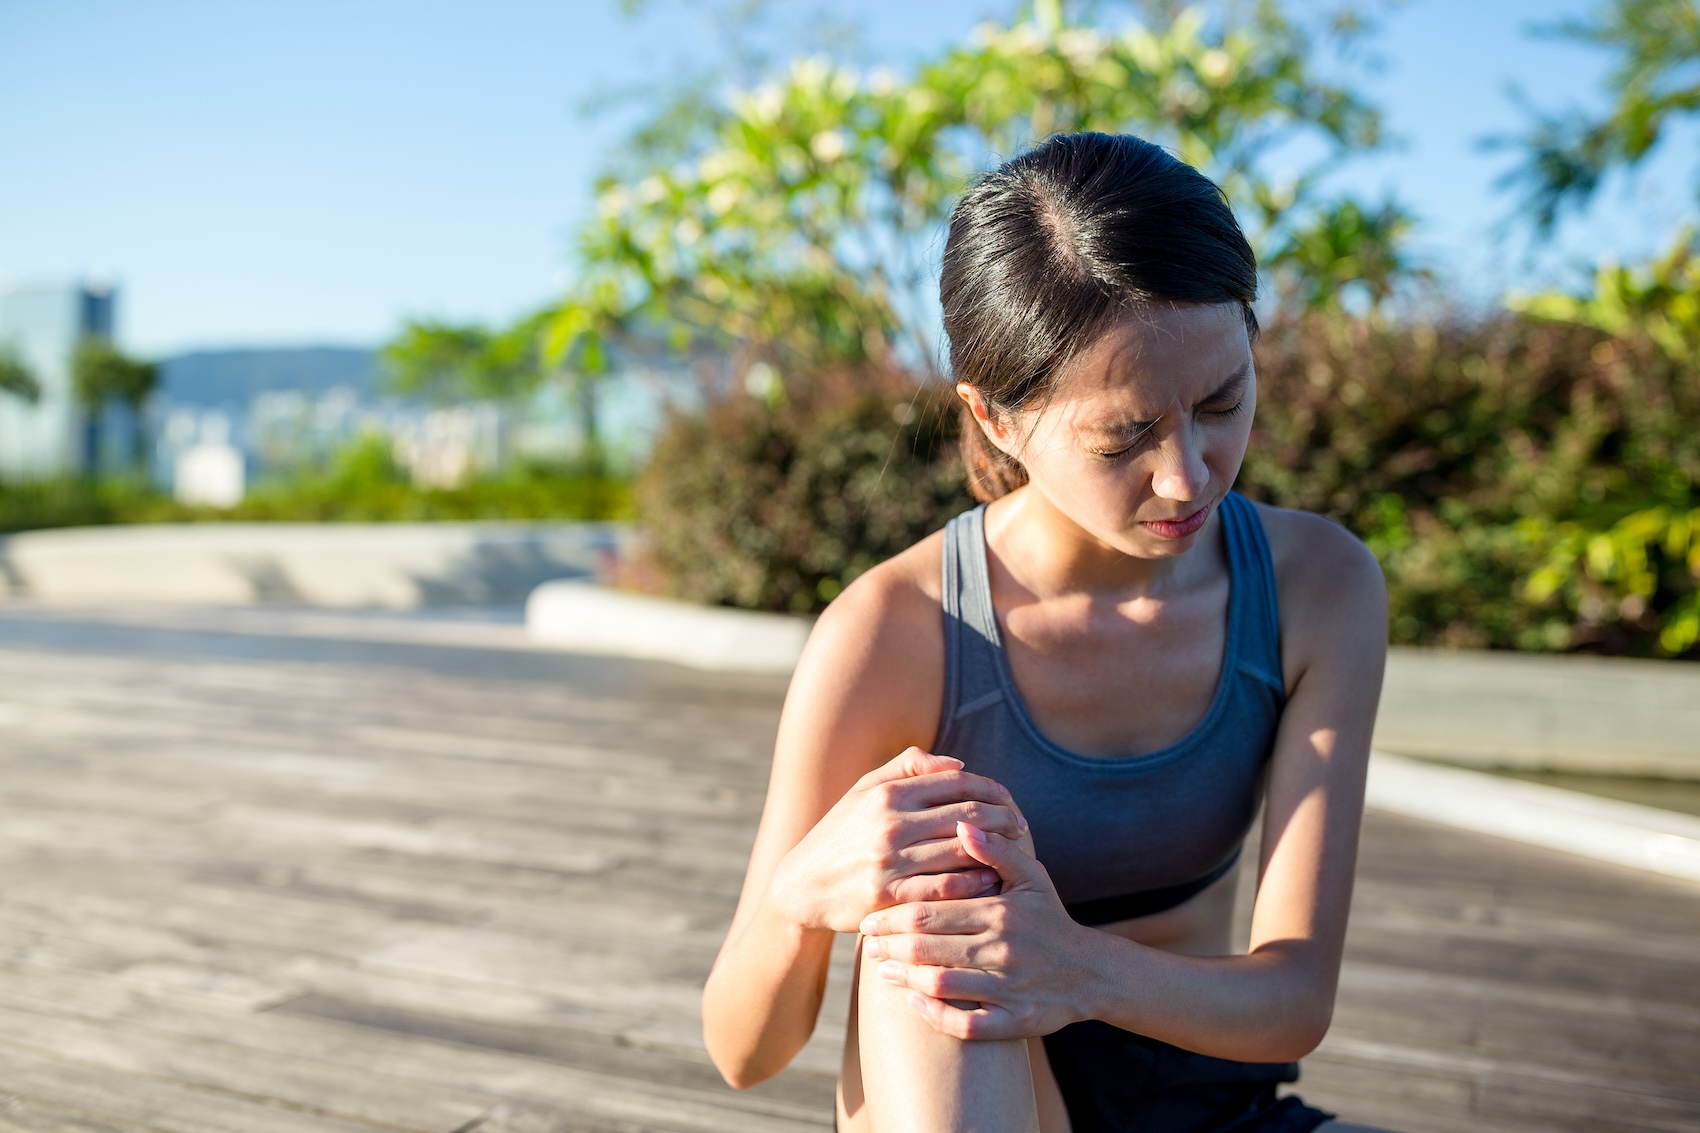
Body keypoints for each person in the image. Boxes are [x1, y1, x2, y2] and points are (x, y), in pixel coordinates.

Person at [701, 132, 1390, 1133]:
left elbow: (1292, 997)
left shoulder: (1316, 585)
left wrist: (1069, 964)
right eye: (1122, 438)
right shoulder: (895, 632)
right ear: (993, 419)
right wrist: (798, 896)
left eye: (1220, 402)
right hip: (959, 1085)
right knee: (937, 921)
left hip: (1205, 1097)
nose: (1186, 475)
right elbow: (740, 1049)